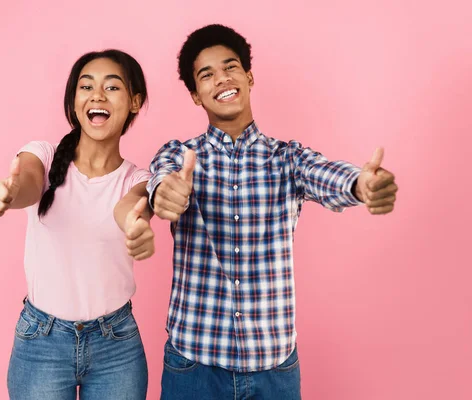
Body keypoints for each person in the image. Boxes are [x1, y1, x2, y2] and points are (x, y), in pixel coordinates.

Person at [147, 24, 398, 399]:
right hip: (193, 366)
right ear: (196, 95)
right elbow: (161, 182)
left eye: (230, 67)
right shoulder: (179, 156)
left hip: (273, 369)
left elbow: (326, 174)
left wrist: (362, 185)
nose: (222, 79)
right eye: (207, 75)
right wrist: (165, 194)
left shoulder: (288, 158)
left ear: (248, 77)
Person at [0, 49, 154, 400]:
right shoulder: (41, 153)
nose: (97, 95)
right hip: (42, 340)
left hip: (115, 344)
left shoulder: (139, 178)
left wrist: (136, 224)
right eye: (86, 87)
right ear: (74, 103)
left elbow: (131, 208)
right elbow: (25, 184)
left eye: (112, 87)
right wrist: (7, 194)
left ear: (134, 101)